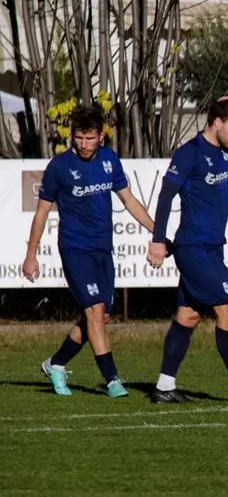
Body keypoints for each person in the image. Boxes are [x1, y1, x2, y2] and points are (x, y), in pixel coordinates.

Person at [146, 96, 228, 404]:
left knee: (189, 316)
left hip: (212, 248)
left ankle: (164, 387)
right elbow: (166, 196)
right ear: (217, 123)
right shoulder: (190, 153)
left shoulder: (227, 151)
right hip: (194, 248)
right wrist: (157, 238)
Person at [24, 104, 157, 398]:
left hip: (102, 250)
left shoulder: (110, 161)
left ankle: (56, 364)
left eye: (90, 138)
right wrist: (31, 255)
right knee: (95, 312)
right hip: (75, 248)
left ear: (101, 136)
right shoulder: (59, 167)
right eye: (79, 138)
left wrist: (157, 232)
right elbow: (41, 214)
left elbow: (130, 201)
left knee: (100, 317)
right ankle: (113, 380)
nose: (83, 144)